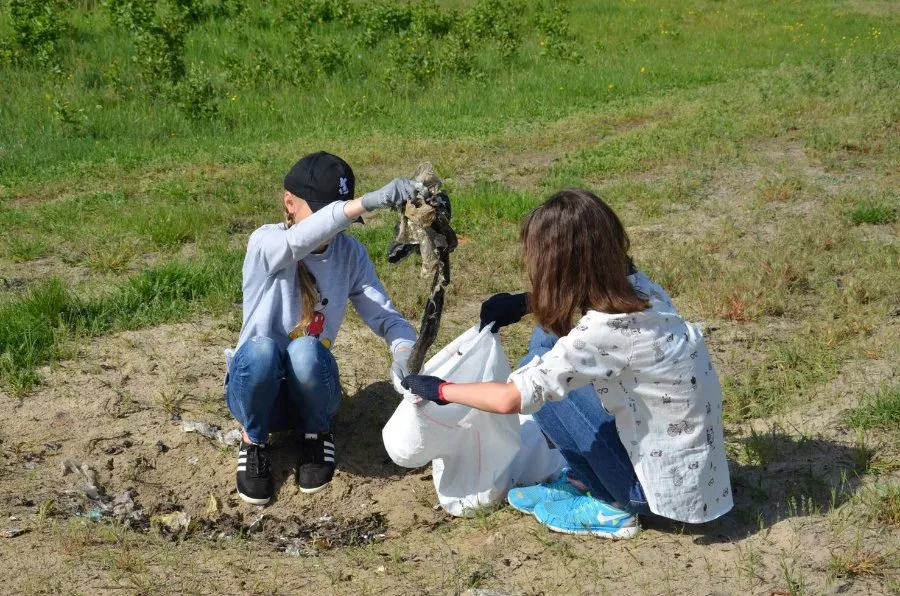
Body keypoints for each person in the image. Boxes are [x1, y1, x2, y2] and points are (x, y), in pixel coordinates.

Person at [402, 188, 732, 538]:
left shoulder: (604, 332)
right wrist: (526, 303)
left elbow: (511, 399)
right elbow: (577, 302)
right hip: (695, 475)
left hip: (648, 492)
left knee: (539, 379)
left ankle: (611, 505)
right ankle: (592, 476)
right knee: (547, 340)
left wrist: (442, 389)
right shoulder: (643, 291)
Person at [226, 151, 418, 505]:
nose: (334, 230)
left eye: (340, 219)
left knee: (307, 350)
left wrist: (405, 351)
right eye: (326, 215)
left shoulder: (350, 255)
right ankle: (254, 440)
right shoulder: (265, 243)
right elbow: (293, 243)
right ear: (289, 203)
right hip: (254, 392)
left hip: (312, 393)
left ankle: (315, 434)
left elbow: (388, 318)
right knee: (260, 350)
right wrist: (367, 203)